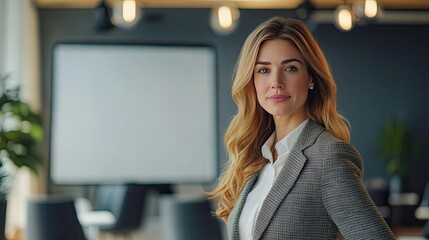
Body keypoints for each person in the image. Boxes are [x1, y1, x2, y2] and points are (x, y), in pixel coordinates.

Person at [207, 17, 395, 239]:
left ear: (311, 78)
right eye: (264, 71)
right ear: (252, 80)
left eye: (290, 68)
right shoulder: (255, 159)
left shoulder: (329, 157)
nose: (276, 81)